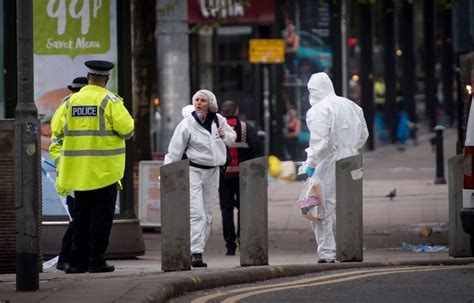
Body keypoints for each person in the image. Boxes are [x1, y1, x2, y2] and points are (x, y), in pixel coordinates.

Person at [51, 60, 134, 273]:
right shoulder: (110, 101)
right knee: (101, 219)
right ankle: (96, 261)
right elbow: (127, 130)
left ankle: (77, 263)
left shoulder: (70, 102)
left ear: (88, 77)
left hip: (78, 172)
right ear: (106, 79)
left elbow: (56, 129)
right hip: (105, 171)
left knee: (80, 218)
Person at [164, 89, 236, 268]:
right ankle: (196, 253)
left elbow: (232, 138)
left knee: (208, 215)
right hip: (194, 171)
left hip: (213, 172)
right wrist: (166, 173)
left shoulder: (219, 120)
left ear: (210, 103)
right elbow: (174, 150)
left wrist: (224, 135)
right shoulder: (186, 124)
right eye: (196, 100)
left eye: (203, 100)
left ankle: (197, 249)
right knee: (197, 213)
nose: (198, 103)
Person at [303, 72, 369, 263]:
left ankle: (327, 253)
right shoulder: (352, 106)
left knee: (319, 206)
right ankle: (350, 248)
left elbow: (319, 141)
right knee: (349, 204)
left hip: (329, 160)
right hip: (353, 158)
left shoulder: (318, 110)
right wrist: (350, 147)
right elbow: (364, 135)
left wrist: (311, 164)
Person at [49, 76, 88, 271]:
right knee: (78, 220)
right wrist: (65, 166)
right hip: (72, 176)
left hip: (78, 174)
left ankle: (72, 258)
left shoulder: (67, 108)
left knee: (80, 219)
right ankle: (66, 258)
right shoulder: (67, 109)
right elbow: (57, 143)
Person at [218, 100, 261, 256]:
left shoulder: (219, 128)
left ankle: (230, 246)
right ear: (237, 111)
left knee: (226, 210)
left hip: (223, 176)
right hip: (244, 176)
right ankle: (242, 239)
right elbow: (257, 148)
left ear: (222, 112)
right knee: (243, 209)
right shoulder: (245, 127)